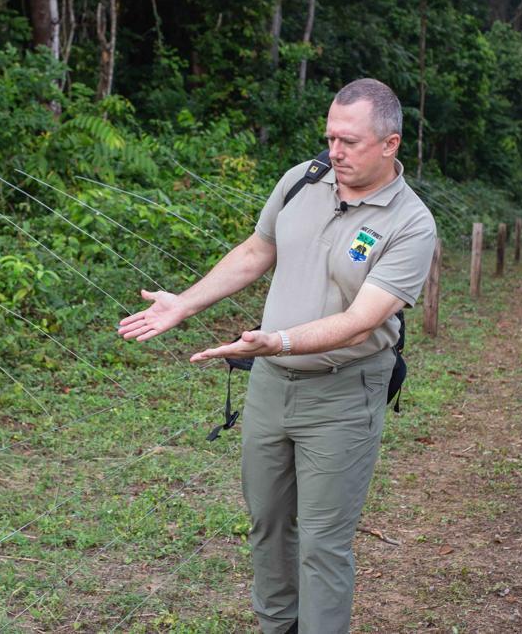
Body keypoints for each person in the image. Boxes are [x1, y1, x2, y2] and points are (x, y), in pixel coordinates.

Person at [118, 78, 437, 633]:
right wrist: (184, 304)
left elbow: (362, 320)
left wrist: (278, 340)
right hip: (270, 387)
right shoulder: (303, 180)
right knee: (267, 524)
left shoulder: (410, 223)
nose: (334, 152)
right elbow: (256, 250)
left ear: (390, 144)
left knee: (323, 541)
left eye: (350, 142)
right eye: (330, 137)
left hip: (343, 393)